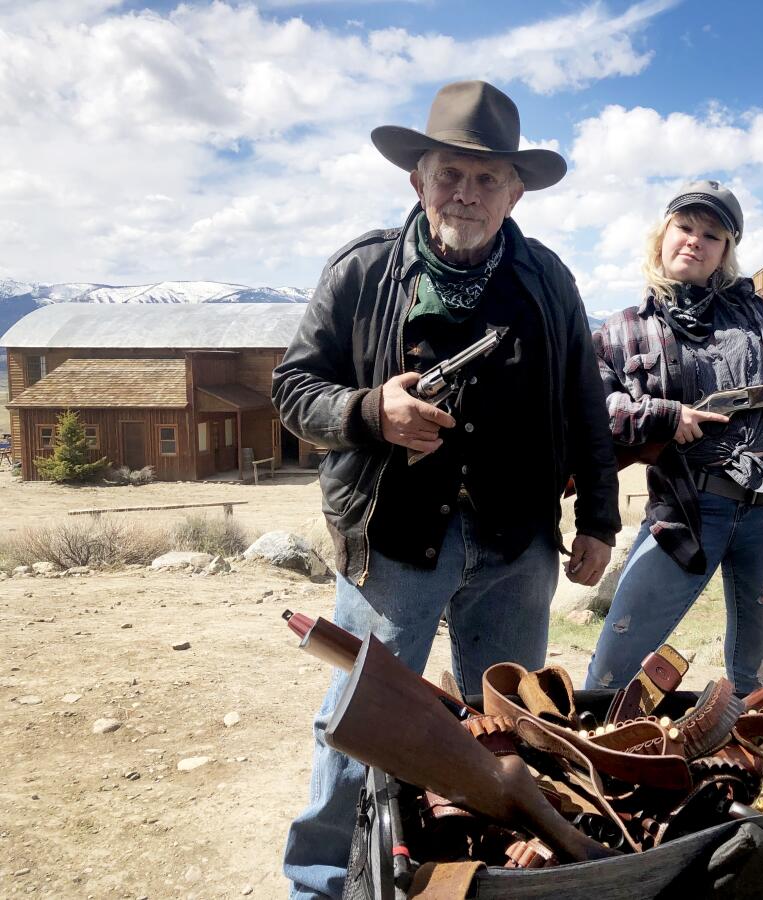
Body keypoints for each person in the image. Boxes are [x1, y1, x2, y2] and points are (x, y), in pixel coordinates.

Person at [272, 80, 620, 900]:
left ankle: (492, 875)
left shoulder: (547, 279)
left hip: (516, 543)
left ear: (515, 189)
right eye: (449, 175)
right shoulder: (362, 271)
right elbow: (293, 390)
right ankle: (318, 883)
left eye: (485, 178)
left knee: (511, 726)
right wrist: (370, 411)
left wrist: (599, 517)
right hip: (395, 539)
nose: (465, 193)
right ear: (417, 180)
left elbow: (585, 405)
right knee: (358, 725)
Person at [585, 181, 763, 696]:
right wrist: (664, 416)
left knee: (754, 680)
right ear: (663, 236)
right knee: (610, 675)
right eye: (686, 228)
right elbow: (594, 411)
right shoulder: (621, 330)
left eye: (711, 235)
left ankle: (739, 767)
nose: (695, 241)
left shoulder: (760, 318)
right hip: (686, 512)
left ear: (725, 253)